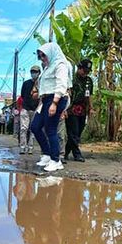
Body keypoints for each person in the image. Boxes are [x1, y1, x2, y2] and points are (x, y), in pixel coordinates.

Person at [30, 42, 70, 172]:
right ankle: (47, 154)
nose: (42, 58)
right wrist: (42, 102)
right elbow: (43, 87)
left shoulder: (60, 65)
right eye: (40, 56)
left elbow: (61, 84)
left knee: (51, 129)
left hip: (56, 98)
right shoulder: (47, 68)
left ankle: (56, 160)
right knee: (35, 127)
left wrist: (55, 103)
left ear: (51, 53)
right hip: (45, 100)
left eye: (44, 55)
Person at [65, 59, 94, 162]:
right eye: (84, 71)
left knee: (77, 133)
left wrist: (91, 108)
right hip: (71, 109)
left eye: (88, 71)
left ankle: (66, 152)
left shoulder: (89, 81)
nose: (86, 73)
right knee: (74, 132)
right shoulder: (71, 79)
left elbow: (89, 95)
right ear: (79, 68)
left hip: (83, 110)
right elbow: (67, 93)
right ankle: (77, 154)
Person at [19, 65, 40, 154]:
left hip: (35, 109)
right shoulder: (26, 83)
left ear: (39, 73)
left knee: (33, 129)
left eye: (35, 72)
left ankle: (30, 147)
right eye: (32, 72)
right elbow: (23, 95)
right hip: (25, 108)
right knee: (23, 128)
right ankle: (22, 147)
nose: (33, 74)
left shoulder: (41, 84)